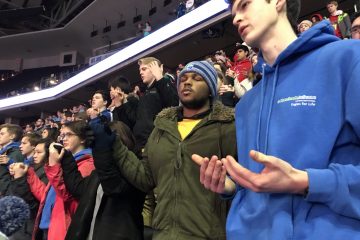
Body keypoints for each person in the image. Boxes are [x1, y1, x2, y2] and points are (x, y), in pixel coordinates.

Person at [193, 0, 360, 239]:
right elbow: (262, 182)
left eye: (245, 4)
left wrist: (306, 181)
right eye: (233, 12)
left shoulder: (348, 60)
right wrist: (232, 186)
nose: (235, 18)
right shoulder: (247, 105)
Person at [105, 60, 237, 239]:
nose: (187, 82)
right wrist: (114, 144)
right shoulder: (161, 129)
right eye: (183, 79)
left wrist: (229, 189)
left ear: (211, 89)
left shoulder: (228, 126)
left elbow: (244, 180)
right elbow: (145, 178)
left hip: (207, 234)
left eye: (197, 78)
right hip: (164, 234)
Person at [57, 121, 145, 240]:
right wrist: (66, 157)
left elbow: (113, 188)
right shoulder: (99, 171)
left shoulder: (136, 169)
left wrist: (103, 151)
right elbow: (78, 188)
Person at [0, 124, 24, 195]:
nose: (0, 136)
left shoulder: (16, 153)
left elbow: (16, 178)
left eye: (2, 134)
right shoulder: (4, 151)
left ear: (12, 136)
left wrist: (3, 191)